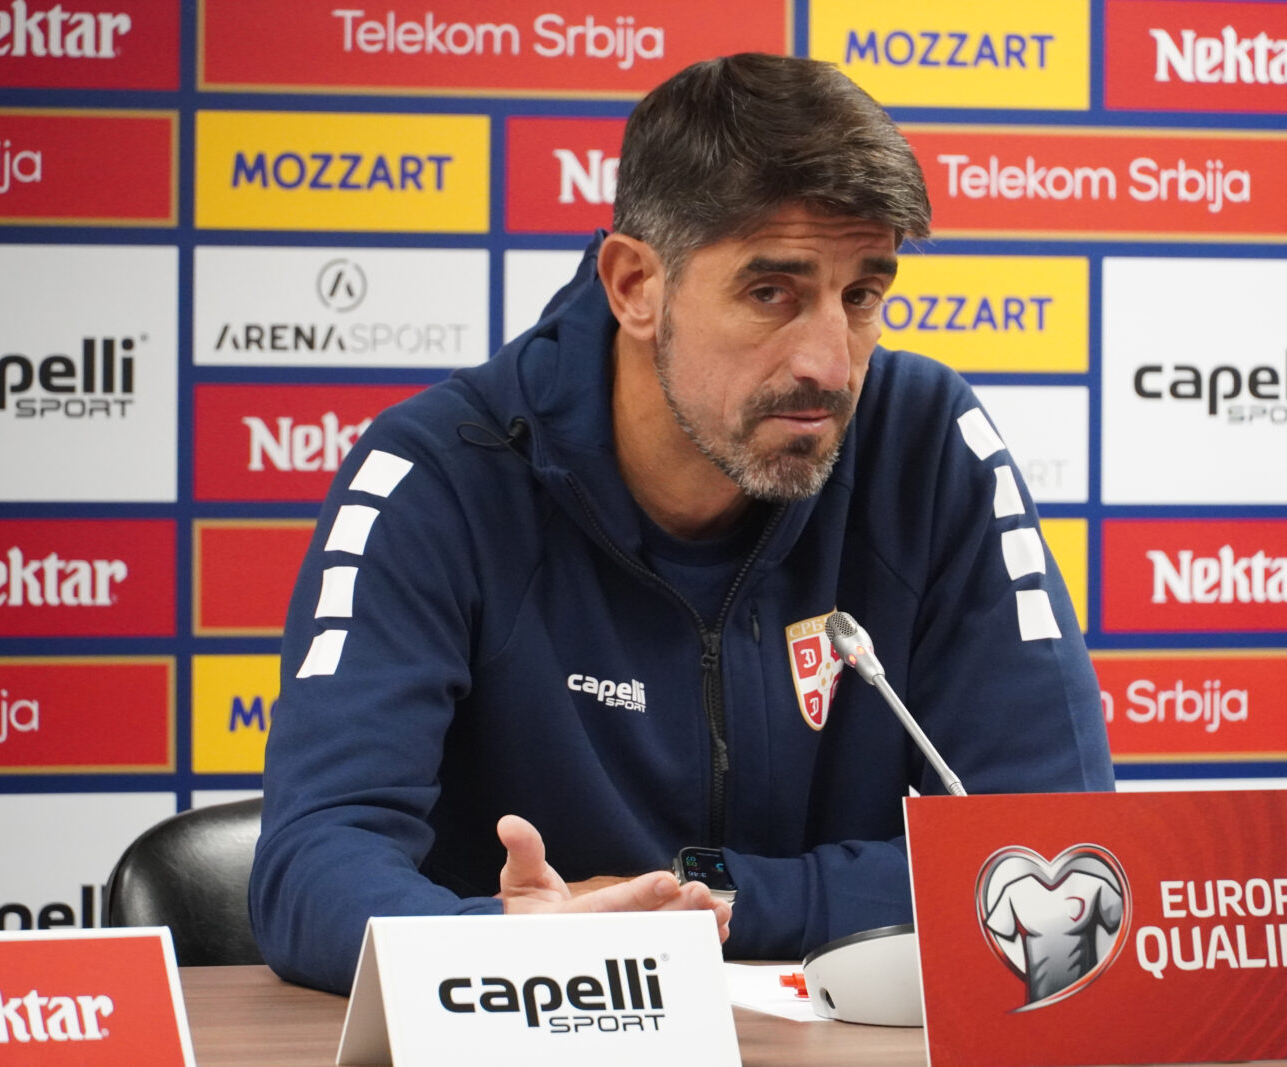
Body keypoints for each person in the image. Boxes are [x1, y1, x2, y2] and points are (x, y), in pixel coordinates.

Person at [249, 52, 1114, 995]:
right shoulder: (440, 474)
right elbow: (312, 867)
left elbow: (1061, 854)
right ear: (634, 285)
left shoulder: (927, 446)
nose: (830, 364)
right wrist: (514, 946)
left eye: (861, 296)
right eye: (771, 293)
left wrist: (710, 900)